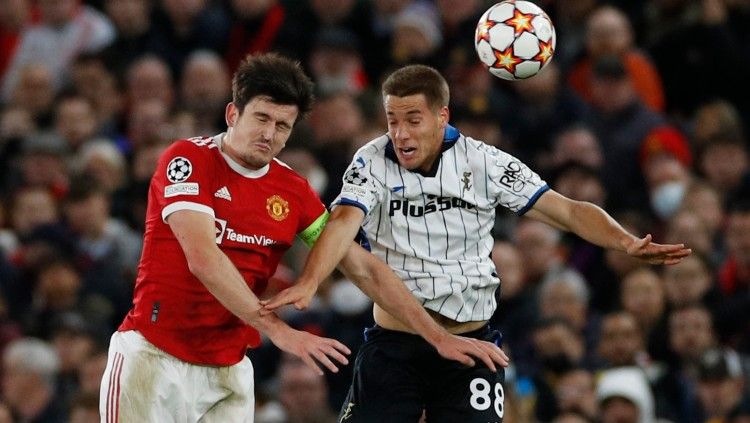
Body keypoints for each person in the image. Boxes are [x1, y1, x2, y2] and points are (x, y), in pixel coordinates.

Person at [263, 64, 691, 422]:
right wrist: (311, 279)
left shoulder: (484, 162)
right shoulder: (370, 161)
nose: (400, 132)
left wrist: (625, 241)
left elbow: (567, 210)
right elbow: (342, 222)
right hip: (395, 347)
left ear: (442, 116)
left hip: (471, 346)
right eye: (392, 119)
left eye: (413, 118)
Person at [99, 53, 507, 422]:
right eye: (261, 118)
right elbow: (203, 257)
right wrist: (279, 330)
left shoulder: (292, 191)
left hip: (228, 369)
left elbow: (361, 266)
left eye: (282, 126)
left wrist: (435, 336)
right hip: (154, 355)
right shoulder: (188, 159)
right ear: (232, 113)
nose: (270, 134)